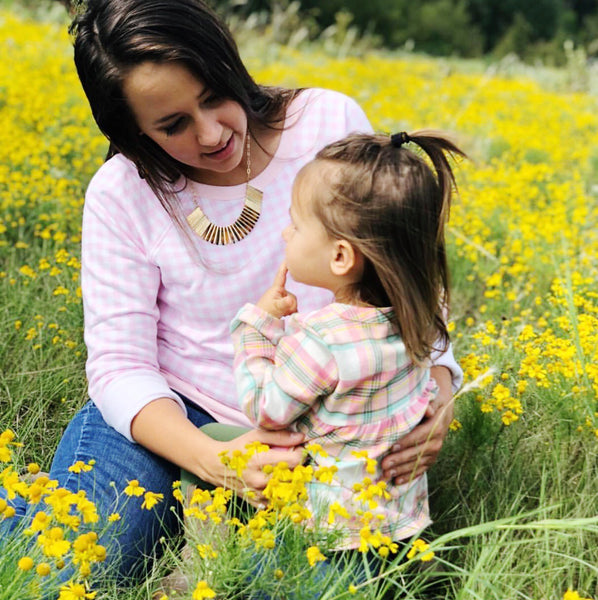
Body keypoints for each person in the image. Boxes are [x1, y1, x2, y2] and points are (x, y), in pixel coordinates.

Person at [2, 0, 462, 582]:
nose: (213, 132)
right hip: (176, 408)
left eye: (215, 94)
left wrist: (437, 394)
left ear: (228, 63)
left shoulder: (325, 122)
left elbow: (403, 265)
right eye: (173, 126)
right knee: (67, 572)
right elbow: (121, 365)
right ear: (133, 133)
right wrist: (212, 460)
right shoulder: (120, 194)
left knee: (327, 583)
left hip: (324, 424)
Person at [231, 131, 465, 556]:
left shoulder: (321, 340)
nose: (286, 234)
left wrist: (257, 330)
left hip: (326, 536)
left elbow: (266, 409)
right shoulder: (420, 318)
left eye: (297, 225)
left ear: (341, 257)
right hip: (397, 523)